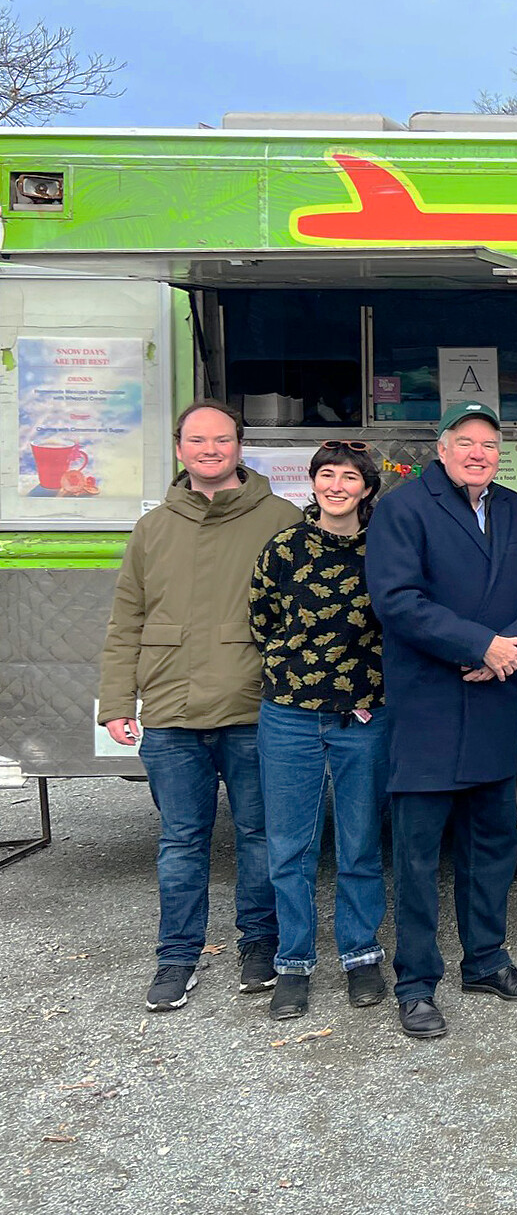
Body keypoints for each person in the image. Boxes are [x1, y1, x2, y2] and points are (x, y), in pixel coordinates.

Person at [99, 401, 304, 1012]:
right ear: (180, 448)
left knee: (260, 835)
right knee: (181, 840)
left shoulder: (281, 519)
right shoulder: (153, 527)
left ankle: (260, 945)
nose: (209, 449)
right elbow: (125, 620)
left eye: (221, 439)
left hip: (253, 708)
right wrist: (116, 700)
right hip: (169, 710)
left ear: (240, 447)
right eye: (197, 439)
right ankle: (177, 957)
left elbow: (303, 619)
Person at [366, 401, 517, 1040]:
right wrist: (479, 644)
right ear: (442, 449)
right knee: (419, 855)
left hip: (495, 700)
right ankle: (416, 983)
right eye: (466, 442)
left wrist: (512, 650)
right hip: (429, 703)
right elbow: (398, 600)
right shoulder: (403, 508)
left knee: (493, 845)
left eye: (489, 444)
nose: (478, 453)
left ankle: (485, 960)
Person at [249, 440, 389, 1021]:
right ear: (311, 482)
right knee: (290, 846)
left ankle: (360, 955)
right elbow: (262, 621)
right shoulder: (283, 548)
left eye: (349, 476)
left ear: (367, 488)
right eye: (326, 474)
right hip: (290, 712)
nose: (337, 485)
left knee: (360, 843)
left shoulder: (386, 550)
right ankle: (294, 963)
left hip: (363, 713)